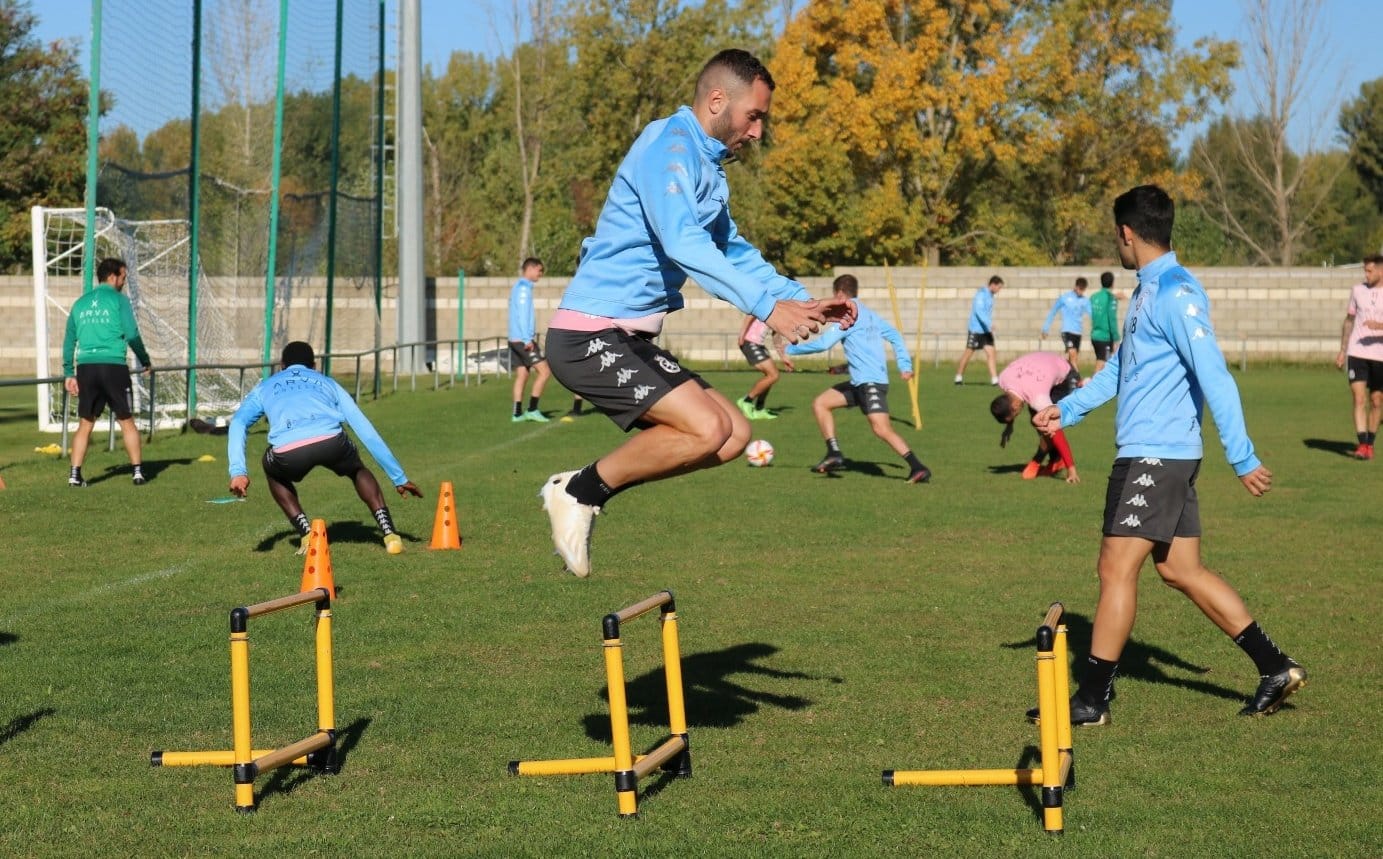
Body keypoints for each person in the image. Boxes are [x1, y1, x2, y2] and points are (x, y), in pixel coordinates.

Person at [538, 48, 856, 578]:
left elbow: (733, 251)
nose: (757, 132)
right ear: (717, 101)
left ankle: (582, 489)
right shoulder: (670, 144)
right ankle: (578, 491)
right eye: (754, 116)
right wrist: (765, 310)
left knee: (731, 435)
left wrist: (797, 298)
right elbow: (684, 242)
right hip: (587, 335)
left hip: (629, 338)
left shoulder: (707, 166)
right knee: (707, 428)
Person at [1031, 184, 1304, 725]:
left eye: (1117, 236)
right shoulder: (1148, 291)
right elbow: (1120, 370)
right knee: (1180, 568)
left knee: (1114, 569)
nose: (1118, 244)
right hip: (1160, 454)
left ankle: (1091, 698)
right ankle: (1274, 666)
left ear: (1127, 233)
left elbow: (1215, 375)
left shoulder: (1176, 292)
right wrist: (1071, 409)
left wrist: (1243, 456)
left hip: (1155, 456)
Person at [227, 341, 422, 554]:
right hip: (332, 442)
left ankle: (306, 533)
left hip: (288, 452)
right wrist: (398, 477)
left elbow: (238, 423)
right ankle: (390, 534)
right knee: (357, 470)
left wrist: (238, 472)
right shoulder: (327, 382)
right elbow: (363, 426)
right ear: (313, 365)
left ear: (282, 365)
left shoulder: (264, 386)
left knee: (272, 469)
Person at [784, 274, 931, 483]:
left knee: (881, 428)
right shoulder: (870, 314)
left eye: (835, 296)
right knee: (821, 403)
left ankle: (918, 467)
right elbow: (895, 336)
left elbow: (823, 344)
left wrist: (789, 349)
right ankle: (833, 453)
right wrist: (904, 366)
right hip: (859, 382)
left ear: (841, 294)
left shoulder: (849, 315)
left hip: (869, 382)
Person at [61, 257, 153, 487]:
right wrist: (145, 360)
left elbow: (69, 340)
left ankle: (74, 475)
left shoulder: (80, 303)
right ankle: (138, 472)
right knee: (126, 420)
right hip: (113, 366)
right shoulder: (119, 300)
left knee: (86, 422)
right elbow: (131, 334)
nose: (124, 281)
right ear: (112, 276)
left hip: (86, 368)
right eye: (123, 277)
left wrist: (69, 372)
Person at [990, 351, 1081, 484]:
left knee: (1044, 424)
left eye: (1014, 415)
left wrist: (1071, 470)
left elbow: (1056, 431)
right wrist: (1009, 426)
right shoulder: (1003, 378)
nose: (1016, 415)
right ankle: (1055, 461)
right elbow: (1010, 400)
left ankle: (1040, 460)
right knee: (1036, 419)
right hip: (1045, 361)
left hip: (1066, 376)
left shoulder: (1038, 398)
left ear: (1014, 408)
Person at [1333, 254, 1383, 460]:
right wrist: (1343, 350)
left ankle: (1370, 442)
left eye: (1370, 270)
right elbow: (1349, 320)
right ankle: (1362, 444)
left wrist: (1379, 326)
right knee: (1359, 397)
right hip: (1357, 353)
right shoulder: (1357, 291)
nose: (1366, 274)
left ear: (1381, 271)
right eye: (1365, 270)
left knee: (1377, 400)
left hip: (1380, 355)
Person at [508, 257, 552, 423]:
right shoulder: (523, 290)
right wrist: (527, 339)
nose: (540, 274)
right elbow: (522, 316)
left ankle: (517, 413)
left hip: (514, 338)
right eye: (539, 270)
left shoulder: (519, 287)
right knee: (545, 371)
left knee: (522, 374)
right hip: (522, 340)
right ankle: (532, 409)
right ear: (531, 269)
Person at [954, 275, 1003, 386]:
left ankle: (995, 379)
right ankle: (958, 377)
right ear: (993, 285)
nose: (999, 290)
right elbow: (978, 311)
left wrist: (988, 326)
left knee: (991, 353)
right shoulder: (981, 294)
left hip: (986, 331)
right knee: (968, 354)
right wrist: (989, 323)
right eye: (999, 287)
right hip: (976, 330)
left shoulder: (991, 296)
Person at [736, 314, 783, 420]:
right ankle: (746, 401)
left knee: (770, 376)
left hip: (759, 345)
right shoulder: (768, 304)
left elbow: (776, 337)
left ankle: (759, 409)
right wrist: (741, 335)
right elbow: (750, 315)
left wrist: (783, 357)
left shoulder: (779, 315)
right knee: (773, 375)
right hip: (750, 341)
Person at [1041, 277, 1092, 369]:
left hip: (1078, 333)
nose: (1081, 292)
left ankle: (1068, 377)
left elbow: (1093, 315)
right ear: (1076, 286)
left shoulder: (1085, 301)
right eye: (1080, 289)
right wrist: (1045, 329)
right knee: (1073, 355)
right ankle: (1077, 379)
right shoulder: (1065, 298)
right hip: (1067, 331)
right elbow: (1053, 312)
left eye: (1083, 290)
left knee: (1073, 358)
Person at [1089, 271, 1120, 374]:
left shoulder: (1094, 297)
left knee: (1102, 362)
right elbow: (1112, 318)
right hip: (1105, 337)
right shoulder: (1110, 297)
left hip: (1095, 335)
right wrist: (1116, 338)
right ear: (1113, 283)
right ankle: (1092, 388)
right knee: (1102, 364)